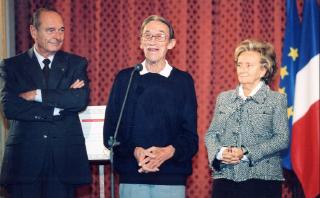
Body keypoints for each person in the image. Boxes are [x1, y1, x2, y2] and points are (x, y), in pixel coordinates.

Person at [103, 15, 198, 198]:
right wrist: (135, 152)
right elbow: (110, 133)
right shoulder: (125, 78)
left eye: (160, 36)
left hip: (171, 177)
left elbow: (190, 138)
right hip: (132, 175)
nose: (153, 41)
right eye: (148, 35)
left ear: (171, 43)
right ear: (140, 42)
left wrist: (167, 152)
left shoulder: (183, 81)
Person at [0, 8, 91, 197]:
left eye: (61, 30)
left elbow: (79, 100)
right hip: (25, 162)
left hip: (63, 161)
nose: (58, 36)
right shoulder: (12, 66)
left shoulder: (76, 63)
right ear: (34, 32)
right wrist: (58, 107)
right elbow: (10, 107)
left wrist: (37, 94)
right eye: (51, 30)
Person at [205, 39, 289, 198]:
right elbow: (211, 134)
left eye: (248, 65)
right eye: (239, 65)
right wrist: (220, 153)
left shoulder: (277, 100)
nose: (241, 70)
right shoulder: (224, 98)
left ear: (263, 70)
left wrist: (246, 153)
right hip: (225, 179)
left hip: (263, 180)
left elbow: (282, 138)